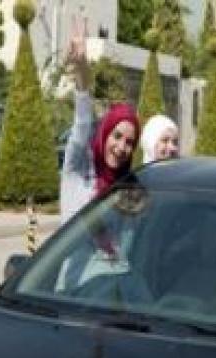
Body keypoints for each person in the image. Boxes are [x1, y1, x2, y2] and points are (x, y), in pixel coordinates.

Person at [60, 18, 140, 224]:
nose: (121, 147)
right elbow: (83, 119)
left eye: (129, 142)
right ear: (105, 134)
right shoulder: (78, 167)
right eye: (117, 136)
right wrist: (81, 66)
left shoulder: (128, 191)